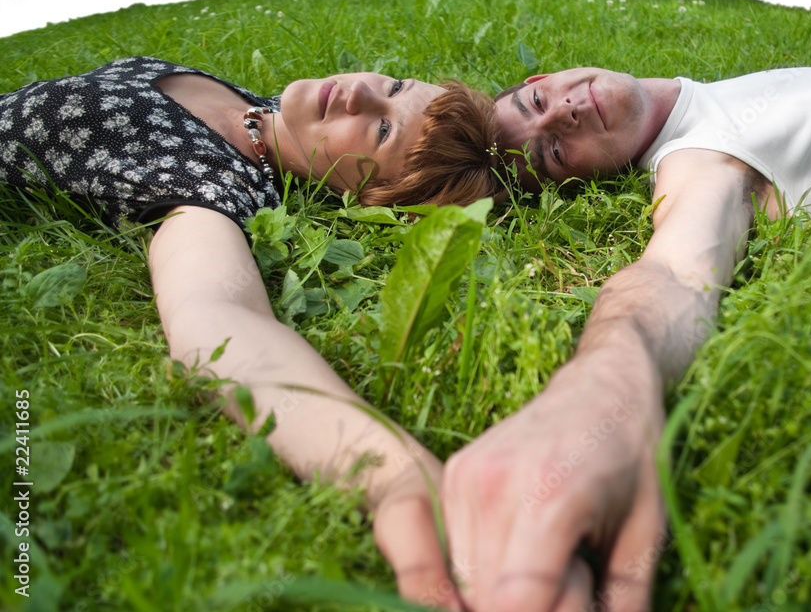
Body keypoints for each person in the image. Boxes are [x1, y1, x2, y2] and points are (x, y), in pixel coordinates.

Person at [436, 57, 811, 612]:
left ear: (540, 78)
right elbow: (675, 273)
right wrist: (599, 391)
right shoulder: (697, 158)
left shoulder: (708, 101)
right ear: (581, 182)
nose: (563, 113)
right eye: (555, 152)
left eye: (536, 102)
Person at [0, 55, 504, 610]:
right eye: (395, 85)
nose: (359, 90)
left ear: (369, 199)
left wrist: (392, 476)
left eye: (382, 129)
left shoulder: (211, 181)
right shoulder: (261, 111)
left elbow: (218, 319)